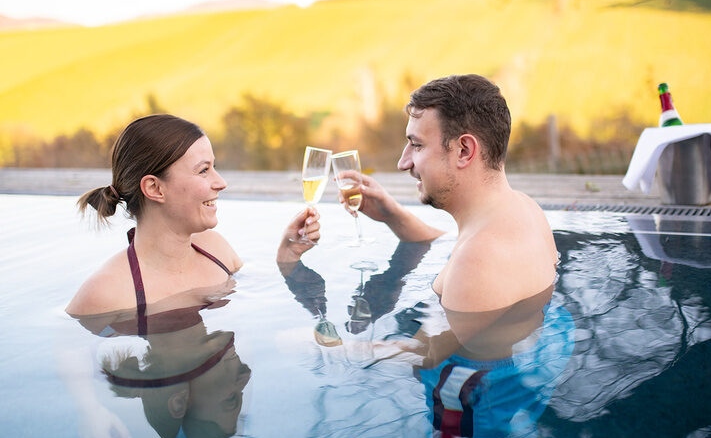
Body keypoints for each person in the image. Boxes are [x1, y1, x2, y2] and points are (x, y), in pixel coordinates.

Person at [339, 73, 558, 317]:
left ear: (464, 150)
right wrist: (392, 215)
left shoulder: (475, 264)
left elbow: (426, 352)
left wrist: (308, 340)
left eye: (417, 145)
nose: (403, 162)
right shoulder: (526, 209)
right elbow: (454, 243)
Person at [67, 113, 319, 317]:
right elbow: (71, 360)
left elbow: (267, 305)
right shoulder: (105, 293)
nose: (221, 182)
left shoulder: (217, 250)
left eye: (214, 167)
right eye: (203, 171)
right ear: (155, 188)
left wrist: (287, 256)